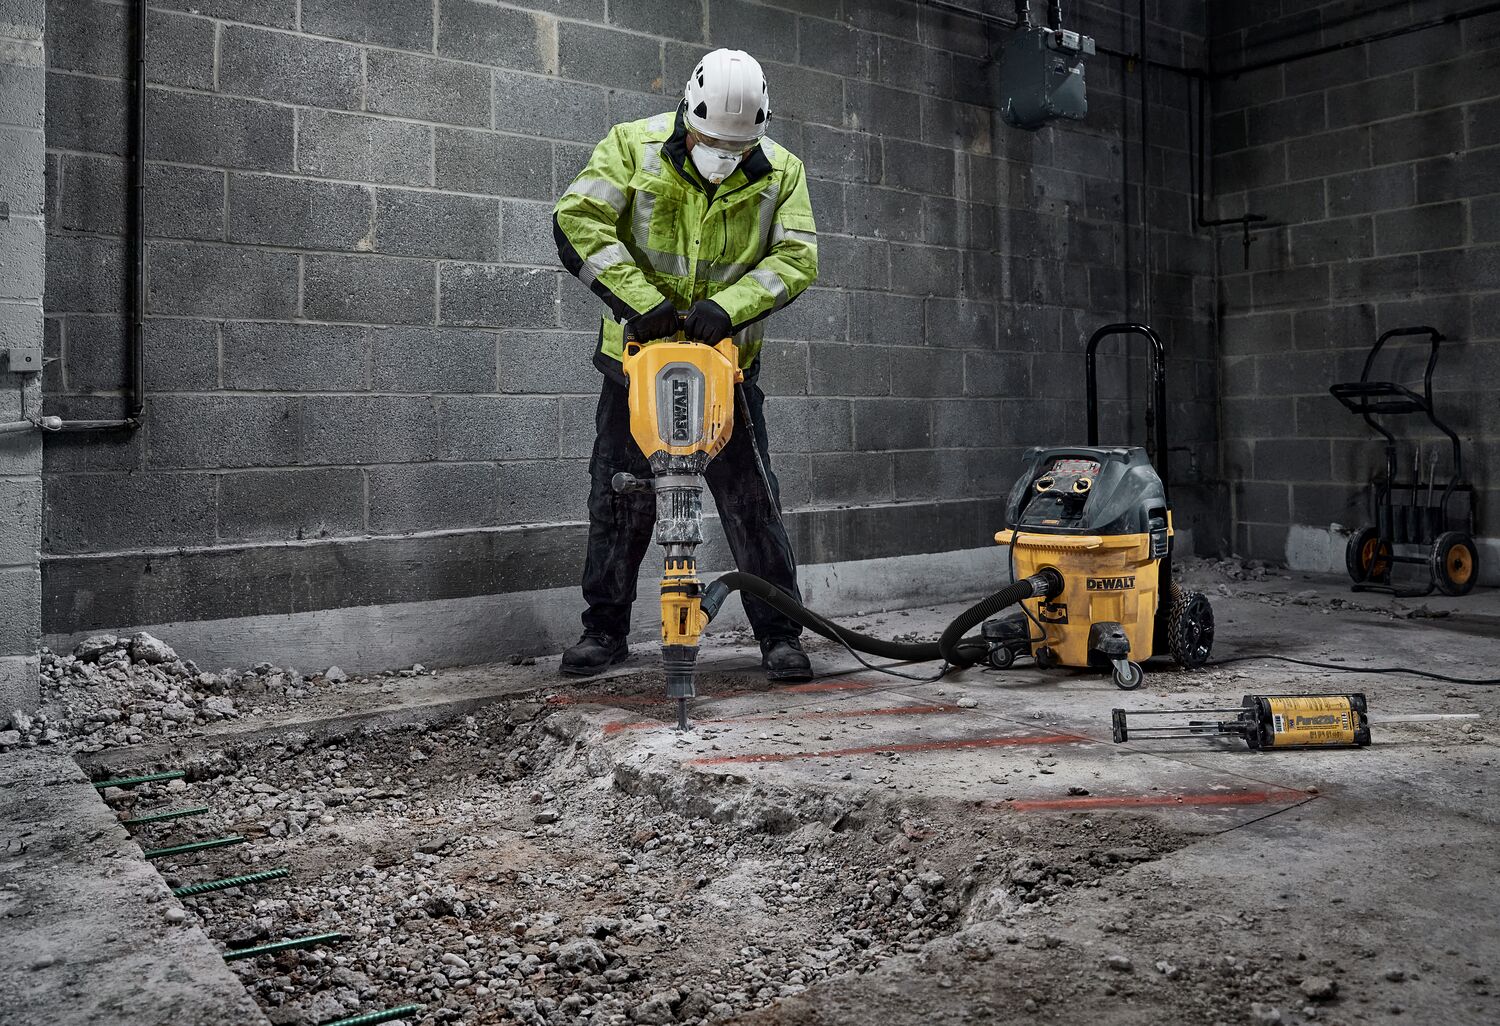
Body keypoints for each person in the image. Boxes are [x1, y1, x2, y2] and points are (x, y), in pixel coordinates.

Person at [552, 48, 819, 682]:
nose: (722, 154)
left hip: (726, 366)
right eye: (710, 140)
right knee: (619, 498)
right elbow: (578, 219)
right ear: (688, 114)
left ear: (759, 130)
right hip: (635, 365)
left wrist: (729, 308)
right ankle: (605, 631)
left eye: (736, 145)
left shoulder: (782, 171)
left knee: (753, 502)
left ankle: (780, 634)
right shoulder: (632, 146)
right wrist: (640, 304)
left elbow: (797, 257)